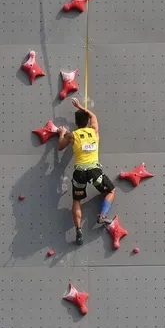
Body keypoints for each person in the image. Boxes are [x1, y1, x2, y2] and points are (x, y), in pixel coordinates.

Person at [57, 98, 116, 245]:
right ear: (87, 121)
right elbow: (93, 116)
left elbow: (60, 146)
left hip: (80, 172)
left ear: (76, 123)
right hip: (94, 170)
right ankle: (102, 215)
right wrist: (80, 106)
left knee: (77, 200)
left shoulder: (72, 135)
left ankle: (78, 231)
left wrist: (62, 133)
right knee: (111, 191)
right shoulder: (94, 131)